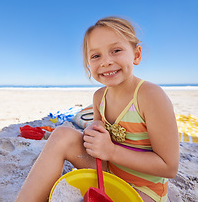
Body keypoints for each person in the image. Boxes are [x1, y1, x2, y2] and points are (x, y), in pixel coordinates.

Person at [15, 17, 179, 202]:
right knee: (62, 135)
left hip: (145, 190)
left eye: (116, 50)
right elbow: (99, 143)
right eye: (95, 56)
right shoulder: (99, 97)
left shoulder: (150, 96)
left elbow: (169, 166)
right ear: (88, 64)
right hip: (109, 171)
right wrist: (93, 135)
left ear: (136, 55)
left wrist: (111, 151)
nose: (106, 61)